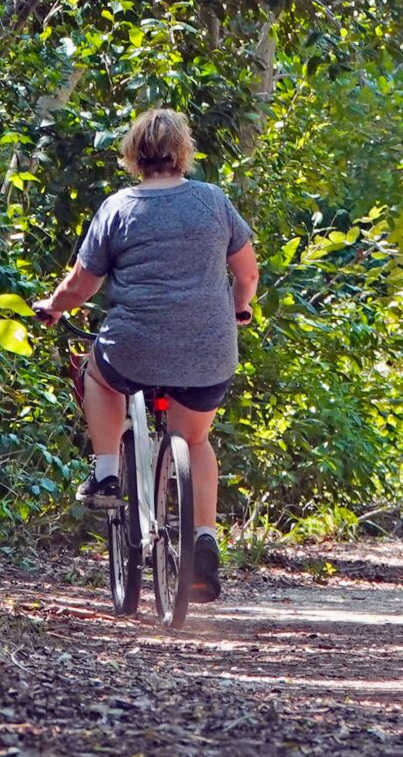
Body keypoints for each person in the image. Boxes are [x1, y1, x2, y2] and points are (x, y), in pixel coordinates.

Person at [39, 108, 258, 602]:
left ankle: (106, 473)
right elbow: (247, 276)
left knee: (98, 373)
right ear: (184, 153)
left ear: (133, 155)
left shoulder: (118, 208)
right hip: (207, 350)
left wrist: (53, 308)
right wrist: (240, 310)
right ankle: (203, 538)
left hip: (133, 347)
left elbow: (81, 284)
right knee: (195, 440)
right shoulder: (214, 202)